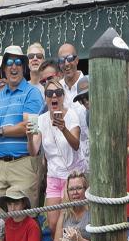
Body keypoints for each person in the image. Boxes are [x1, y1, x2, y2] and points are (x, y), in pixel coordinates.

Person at [0, 45, 45, 207]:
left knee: (24, 219)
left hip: (24, 164)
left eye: (18, 62)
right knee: (2, 219)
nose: (14, 66)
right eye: (9, 62)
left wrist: (0, 130)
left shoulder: (32, 92)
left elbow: (29, 127)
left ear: (24, 67)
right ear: (3, 69)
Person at [32, 76, 88, 216]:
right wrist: (28, 136)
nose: (54, 96)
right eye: (50, 94)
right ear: (46, 98)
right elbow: (33, 151)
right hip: (53, 176)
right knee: (52, 223)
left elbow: (76, 145)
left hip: (73, 175)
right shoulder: (41, 119)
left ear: (63, 96)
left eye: (58, 92)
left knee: (70, 218)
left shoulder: (72, 115)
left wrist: (63, 128)